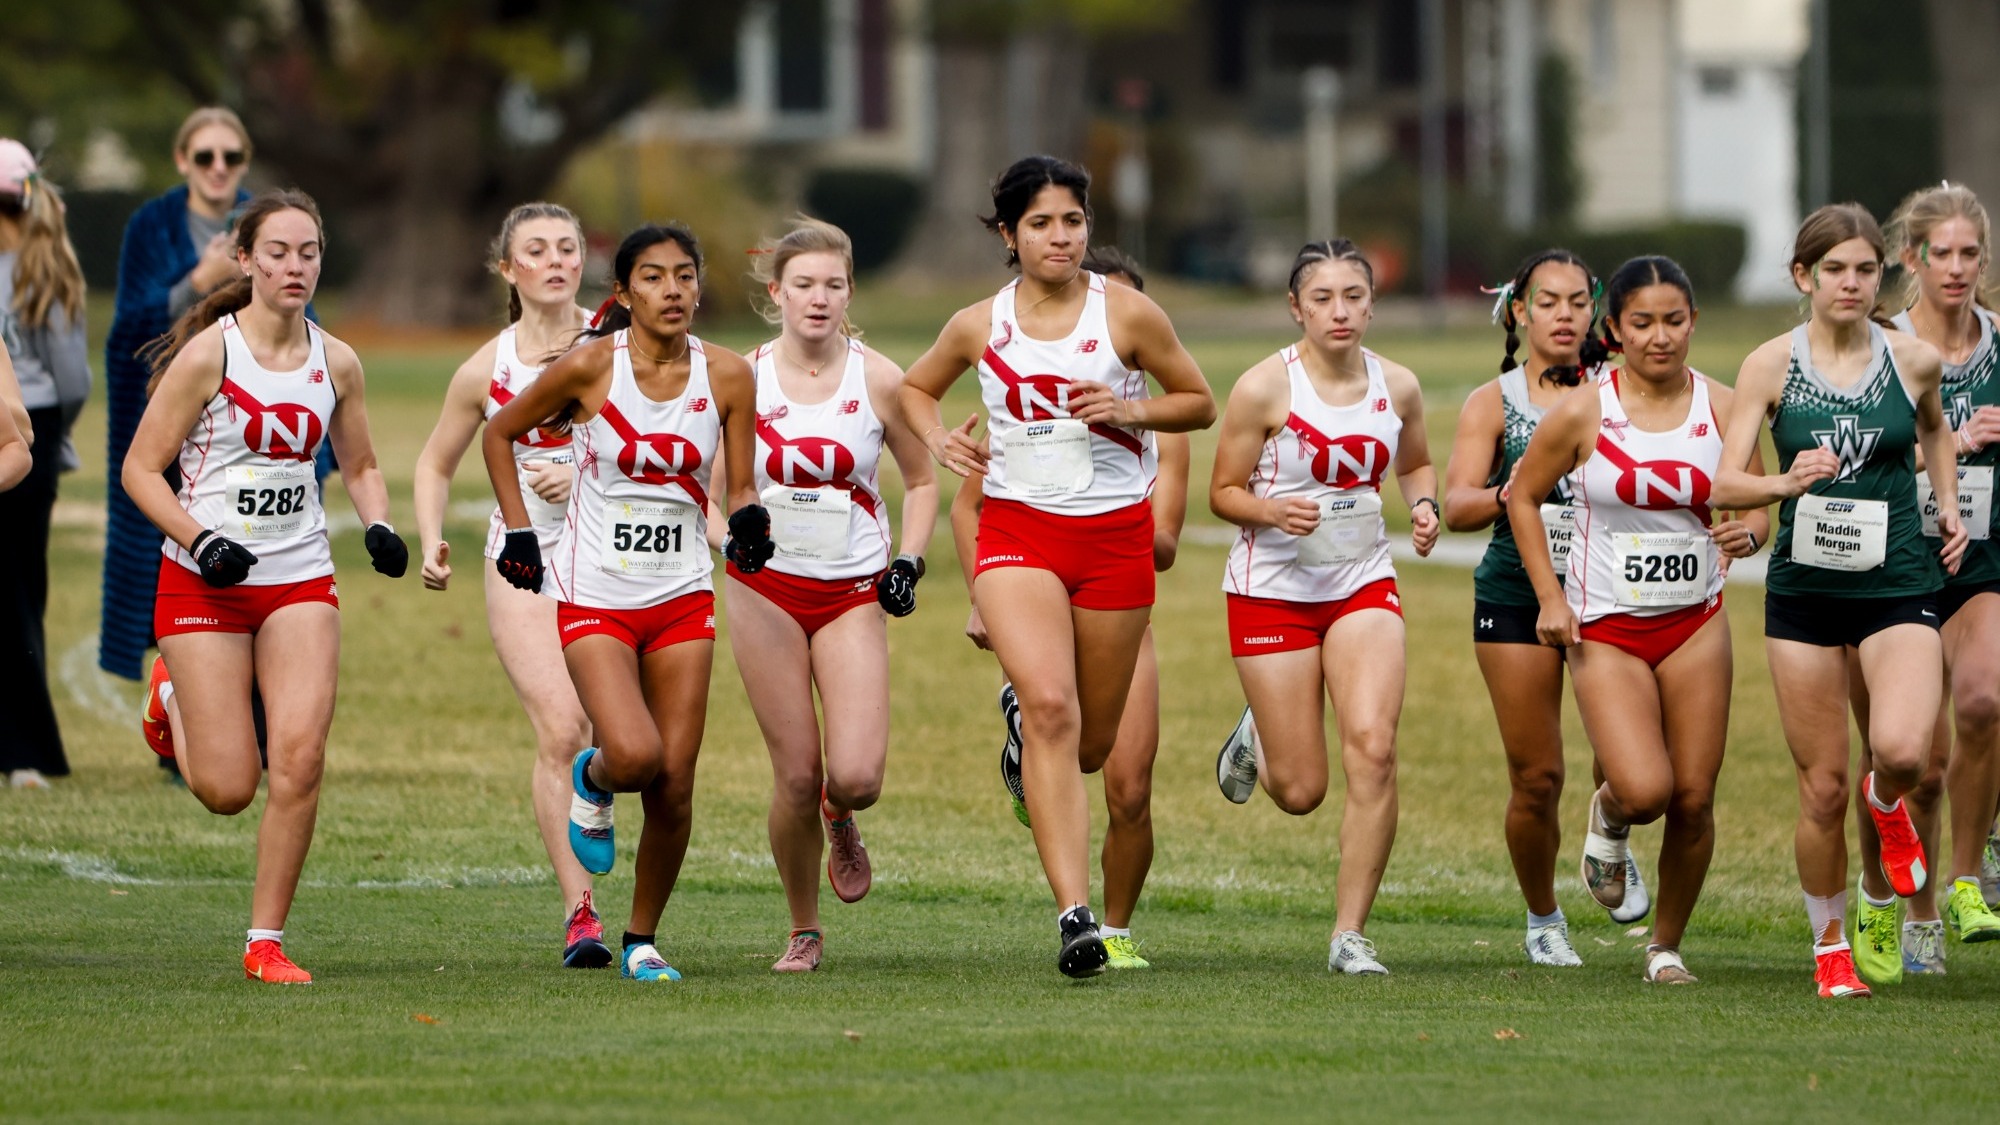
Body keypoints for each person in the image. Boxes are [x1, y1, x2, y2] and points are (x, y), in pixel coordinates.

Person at [899, 156, 1215, 977]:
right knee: (1048, 705)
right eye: (1040, 223)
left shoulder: (1128, 314)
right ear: (1008, 235)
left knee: (1087, 744)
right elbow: (914, 390)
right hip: (1019, 530)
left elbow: (1198, 400)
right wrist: (939, 439)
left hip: (1112, 541)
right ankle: (1075, 917)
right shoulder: (979, 323)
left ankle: (1027, 748)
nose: (1060, 236)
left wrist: (1130, 406)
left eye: (1072, 220)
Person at [122, 190, 410, 984]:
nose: (295, 266)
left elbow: (359, 463)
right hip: (202, 583)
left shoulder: (337, 360)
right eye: (278, 252)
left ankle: (265, 941)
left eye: (309, 252)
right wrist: (200, 538)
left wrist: (378, 523)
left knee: (300, 758)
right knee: (224, 787)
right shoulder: (209, 354)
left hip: (298, 580)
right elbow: (140, 471)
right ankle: (171, 698)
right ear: (245, 260)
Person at [484, 223, 760, 984]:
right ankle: (594, 778)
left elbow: (738, 490)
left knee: (675, 779)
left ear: (700, 286)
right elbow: (500, 432)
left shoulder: (730, 376)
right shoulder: (590, 367)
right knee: (635, 755)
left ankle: (641, 938)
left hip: (682, 594)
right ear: (625, 292)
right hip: (595, 591)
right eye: (653, 277)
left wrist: (750, 524)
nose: (672, 291)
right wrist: (517, 533)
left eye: (684, 276)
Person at [1713, 202, 1965, 999]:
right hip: (1806, 597)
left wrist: (1949, 507)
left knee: (1902, 751)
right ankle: (1830, 945)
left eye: (1865, 269)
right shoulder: (1770, 364)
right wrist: (1784, 481)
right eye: (1834, 270)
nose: (1851, 283)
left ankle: (1885, 803)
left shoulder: (1913, 359)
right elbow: (1723, 482)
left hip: (1897, 582)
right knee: (1820, 785)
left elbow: (1936, 434)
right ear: (1803, 278)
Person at [1507, 256, 1768, 985]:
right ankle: (1611, 815)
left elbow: (1757, 502)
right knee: (1647, 788)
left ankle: (1665, 946)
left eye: (1675, 321)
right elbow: (1520, 498)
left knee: (1694, 794)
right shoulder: (1585, 409)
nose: (1661, 337)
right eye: (1643, 323)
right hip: (1607, 626)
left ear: (1694, 322)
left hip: (1696, 620)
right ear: (1613, 330)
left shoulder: (1724, 406)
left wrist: (1752, 530)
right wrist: (1549, 598)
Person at [952, 246, 1190, 970]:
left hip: (1121, 602)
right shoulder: (1026, 412)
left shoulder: (1162, 425)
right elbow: (971, 508)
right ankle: (1084, 924)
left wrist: (1105, 497)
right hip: (1039, 588)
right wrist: (986, 595)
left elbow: (1166, 543)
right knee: (1060, 717)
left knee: (1125, 781)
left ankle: (1118, 926)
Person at [1207, 239, 1439, 976]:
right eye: (1323, 299)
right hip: (1271, 587)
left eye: (1354, 297)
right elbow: (1222, 492)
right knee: (1301, 789)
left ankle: (1349, 934)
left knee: (1373, 747)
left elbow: (1416, 461)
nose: (1340, 312)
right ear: (1296, 307)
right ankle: (1261, 736)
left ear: (1372, 304)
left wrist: (1424, 505)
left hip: (1362, 581)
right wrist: (1271, 511)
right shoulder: (1262, 389)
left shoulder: (1396, 385)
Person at [713, 217, 939, 973]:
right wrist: (728, 539)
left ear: (850, 292)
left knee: (855, 776)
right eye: (803, 285)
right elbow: (706, 492)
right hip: (765, 588)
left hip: (849, 588)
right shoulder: (740, 377)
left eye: (833, 285)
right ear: (776, 292)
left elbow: (924, 477)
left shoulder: (878, 377)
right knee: (796, 772)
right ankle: (803, 928)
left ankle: (841, 817)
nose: (819, 299)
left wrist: (909, 560)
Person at [1437, 249, 1660, 965]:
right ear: (1520, 311)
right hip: (1515, 597)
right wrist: (1512, 491)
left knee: (1625, 771)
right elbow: (1458, 506)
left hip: (1613, 594)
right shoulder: (1492, 401)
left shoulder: (1620, 388)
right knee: (1537, 779)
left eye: (1576, 301)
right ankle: (1542, 919)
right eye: (1548, 301)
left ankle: (1611, 833)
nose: (1564, 315)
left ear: (1596, 310)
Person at [411, 202, 608, 967]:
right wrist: (432, 540)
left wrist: (585, 467)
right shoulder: (486, 368)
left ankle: (601, 797)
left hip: (617, 561)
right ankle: (580, 914)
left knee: (622, 743)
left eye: (568, 246)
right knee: (562, 730)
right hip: (521, 560)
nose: (557, 259)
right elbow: (433, 461)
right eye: (538, 249)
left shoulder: (621, 346)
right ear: (509, 268)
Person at [1843, 184, 2000, 983]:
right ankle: (1910, 907)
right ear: (1912, 260)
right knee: (1915, 764)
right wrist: (1957, 443)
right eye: (1940, 253)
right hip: (1891, 566)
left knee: (1983, 700)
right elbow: (1851, 458)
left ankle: (1969, 878)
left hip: (1980, 565)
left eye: (1970, 253)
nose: (1957, 268)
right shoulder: (1882, 345)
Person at [102, 108, 256, 686]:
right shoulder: (151, 225)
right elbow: (129, 329)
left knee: (260, 566)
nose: (219, 168)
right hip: (171, 419)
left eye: (231, 157)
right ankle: (177, 718)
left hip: (250, 421)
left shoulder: (265, 219)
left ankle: (255, 730)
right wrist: (199, 279)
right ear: (182, 161)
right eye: (205, 156)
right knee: (171, 564)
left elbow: (303, 319)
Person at [0, 139, 90, 787]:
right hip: (33, 426)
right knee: (21, 590)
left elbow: (69, 376)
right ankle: (28, 751)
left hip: (16, 434)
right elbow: (72, 378)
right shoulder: (46, 262)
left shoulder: (40, 264)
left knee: (13, 593)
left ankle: (25, 750)